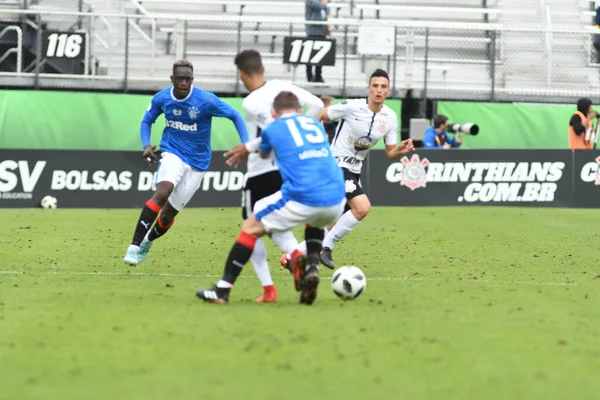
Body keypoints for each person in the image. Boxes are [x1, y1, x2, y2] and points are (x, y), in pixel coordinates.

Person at [196, 91, 346, 305]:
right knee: (314, 220)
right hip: (337, 200)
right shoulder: (314, 124)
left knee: (250, 225)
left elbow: (264, 153)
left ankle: (222, 289)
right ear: (300, 110)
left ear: (273, 113)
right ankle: (312, 267)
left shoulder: (274, 127)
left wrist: (249, 147)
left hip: (305, 196)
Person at [282, 69, 415, 270]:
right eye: (375, 86)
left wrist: (400, 151)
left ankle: (292, 257)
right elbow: (321, 114)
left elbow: (390, 153)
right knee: (362, 207)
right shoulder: (353, 106)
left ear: (388, 91)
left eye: (383, 87)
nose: (379, 90)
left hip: (354, 171)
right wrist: (317, 143)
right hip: (335, 165)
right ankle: (325, 248)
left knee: (335, 223)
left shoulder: (390, 117)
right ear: (368, 88)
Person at [123, 59, 249, 266]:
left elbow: (235, 115)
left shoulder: (205, 100)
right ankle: (134, 245)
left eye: (187, 79)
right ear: (172, 79)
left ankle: (147, 241)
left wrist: (246, 144)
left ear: (192, 79)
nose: (183, 83)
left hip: (198, 162)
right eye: (179, 78)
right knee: (162, 192)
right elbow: (147, 120)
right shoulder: (162, 98)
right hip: (172, 152)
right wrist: (146, 145)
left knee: (167, 216)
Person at [231, 49, 324, 303]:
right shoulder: (284, 86)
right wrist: (301, 130)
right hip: (286, 170)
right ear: (262, 69)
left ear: (241, 74)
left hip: (260, 170)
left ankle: (269, 288)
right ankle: (296, 256)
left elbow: (274, 133)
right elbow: (317, 105)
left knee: (252, 224)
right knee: (269, 222)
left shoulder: (251, 102)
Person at [305, 0, 329, 83]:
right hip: (312, 31)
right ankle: (309, 76)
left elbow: (324, 14)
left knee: (320, 56)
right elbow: (319, 6)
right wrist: (323, 2)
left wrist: (327, 27)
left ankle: (318, 76)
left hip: (321, 31)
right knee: (310, 55)